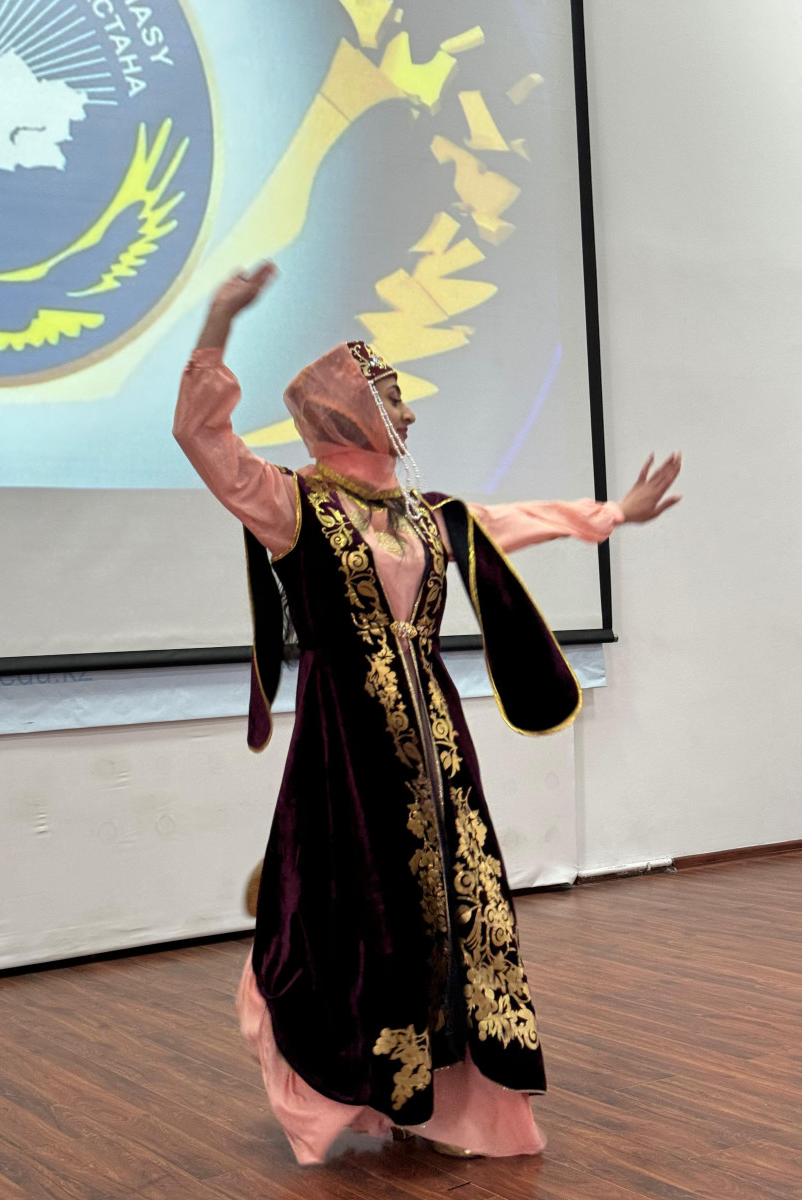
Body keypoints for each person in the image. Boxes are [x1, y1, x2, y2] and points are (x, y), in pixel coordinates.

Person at [173, 263, 682, 1165]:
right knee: (354, 912)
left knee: (452, 908)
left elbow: (515, 521)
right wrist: (217, 321)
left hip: (437, 744)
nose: (408, 416)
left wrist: (613, 513)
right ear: (344, 414)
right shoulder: (292, 506)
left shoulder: (424, 514)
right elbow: (201, 437)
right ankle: (350, 1088)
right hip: (347, 748)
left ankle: (453, 1101)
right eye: (392, 400)